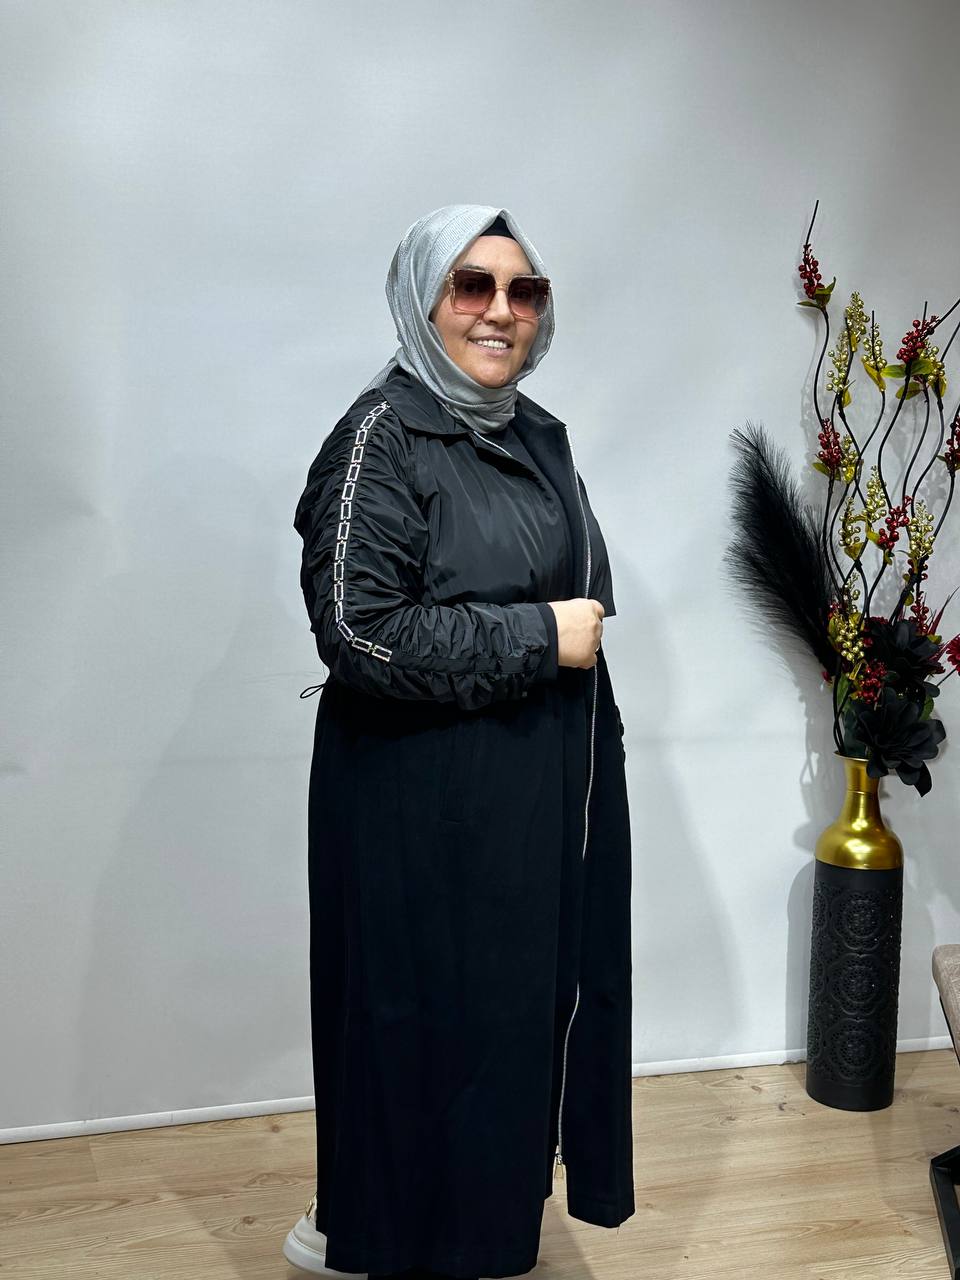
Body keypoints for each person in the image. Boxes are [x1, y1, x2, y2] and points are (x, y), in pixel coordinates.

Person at [284, 205, 634, 1280]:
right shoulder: (379, 439)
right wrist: (537, 635)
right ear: (421, 298)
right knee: (414, 1028)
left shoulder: (534, 434)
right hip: (415, 811)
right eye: (471, 285)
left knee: (505, 1026)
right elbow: (358, 630)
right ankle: (374, 1234)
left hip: (525, 802)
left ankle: (481, 1233)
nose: (500, 311)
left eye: (523, 291)